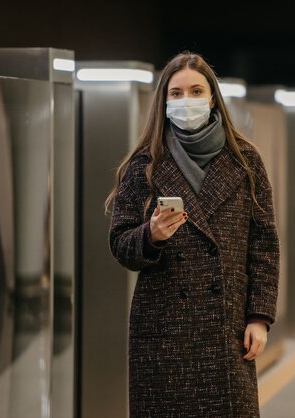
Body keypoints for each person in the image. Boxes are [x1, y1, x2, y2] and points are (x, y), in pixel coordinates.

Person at [106, 51, 280, 417]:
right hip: (163, 331)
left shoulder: (246, 161)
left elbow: (264, 244)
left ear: (212, 97)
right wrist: (150, 236)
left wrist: (259, 317)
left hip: (226, 327)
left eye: (196, 91)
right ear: (164, 101)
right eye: (177, 93)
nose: (187, 101)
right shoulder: (144, 165)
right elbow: (120, 244)